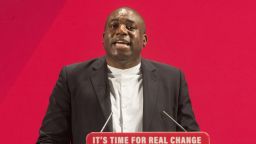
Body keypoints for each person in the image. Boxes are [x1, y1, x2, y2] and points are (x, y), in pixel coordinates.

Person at [37, 7, 199, 144]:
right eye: (114, 26)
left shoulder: (172, 79)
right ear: (103, 38)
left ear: (144, 40)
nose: (121, 31)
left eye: (130, 27)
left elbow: (191, 137)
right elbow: (50, 138)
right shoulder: (73, 78)